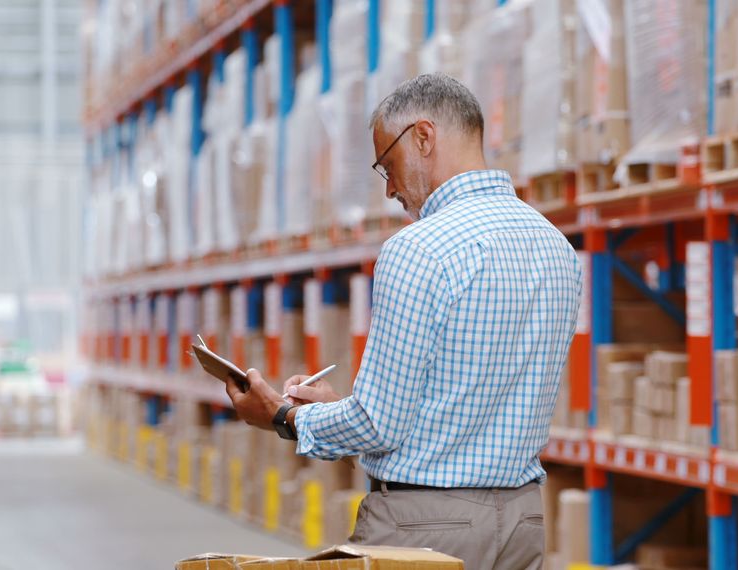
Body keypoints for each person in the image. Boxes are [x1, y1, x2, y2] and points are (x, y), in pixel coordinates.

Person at [223, 73, 581, 569]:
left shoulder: (418, 250)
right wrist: (338, 409)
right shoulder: (556, 247)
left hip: (424, 529)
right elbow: (453, 407)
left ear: (424, 137)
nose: (390, 188)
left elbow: (378, 423)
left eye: (388, 165)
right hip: (522, 524)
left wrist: (284, 417)